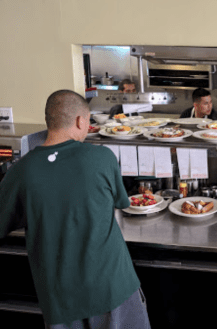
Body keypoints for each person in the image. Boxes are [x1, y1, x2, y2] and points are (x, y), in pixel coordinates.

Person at [0, 90, 151, 328]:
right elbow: (123, 203)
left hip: (61, 302)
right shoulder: (102, 157)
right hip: (113, 291)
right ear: (81, 121)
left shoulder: (19, 173)